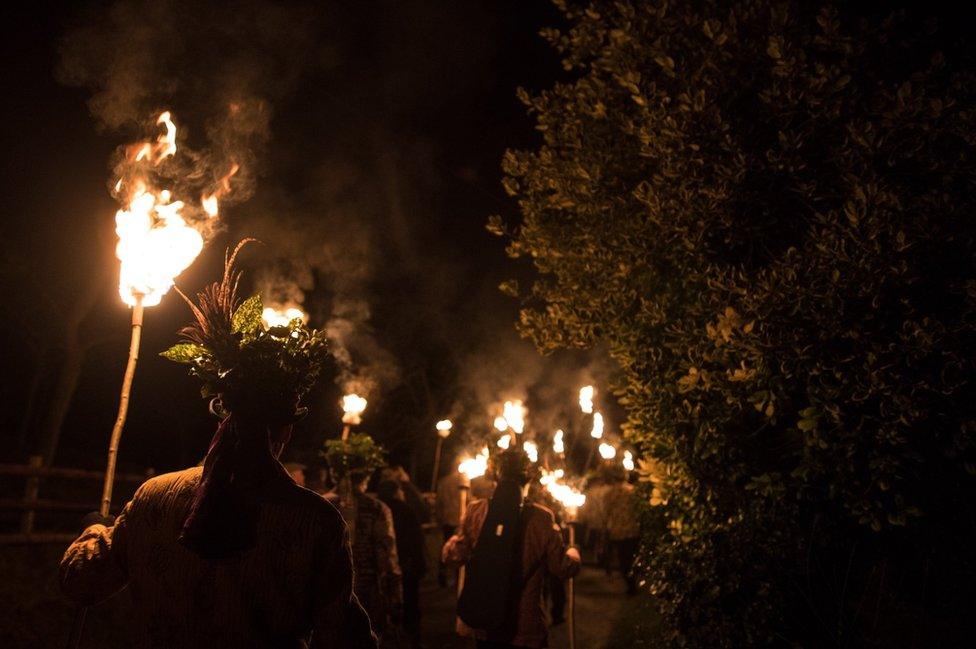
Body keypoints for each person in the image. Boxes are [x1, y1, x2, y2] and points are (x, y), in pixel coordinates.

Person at [60, 245, 376, 648]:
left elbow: (81, 583)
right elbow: (344, 638)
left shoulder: (153, 498)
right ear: (285, 432)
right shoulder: (315, 521)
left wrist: (95, 532)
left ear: (223, 413)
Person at [443, 448, 581, 649]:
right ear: (528, 480)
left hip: (486, 624)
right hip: (526, 629)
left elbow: (452, 557)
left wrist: (456, 537)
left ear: (495, 478)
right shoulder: (542, 518)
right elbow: (562, 567)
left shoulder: (476, 511)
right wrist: (573, 552)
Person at [324, 435, 403, 647]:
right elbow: (386, 556)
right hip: (366, 595)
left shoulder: (319, 505)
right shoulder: (377, 508)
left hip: (326, 593)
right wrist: (395, 598)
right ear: (365, 477)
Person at [377, 480, 427, 648]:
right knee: (409, 606)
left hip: (380, 567)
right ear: (396, 491)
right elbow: (416, 540)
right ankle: (412, 641)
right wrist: (420, 564)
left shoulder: (375, 508)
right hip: (405, 566)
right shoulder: (405, 510)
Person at [603, 466, 641, 595]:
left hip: (618, 531)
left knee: (623, 559)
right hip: (633, 529)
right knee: (633, 557)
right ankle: (634, 582)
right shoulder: (633, 491)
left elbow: (606, 513)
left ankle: (630, 584)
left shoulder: (609, 494)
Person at [434, 463, 463, 586]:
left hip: (447, 519)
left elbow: (439, 501)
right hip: (458, 519)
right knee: (459, 548)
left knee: (446, 546)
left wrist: (439, 517)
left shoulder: (443, 482)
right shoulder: (463, 482)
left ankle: (442, 575)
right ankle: (457, 578)